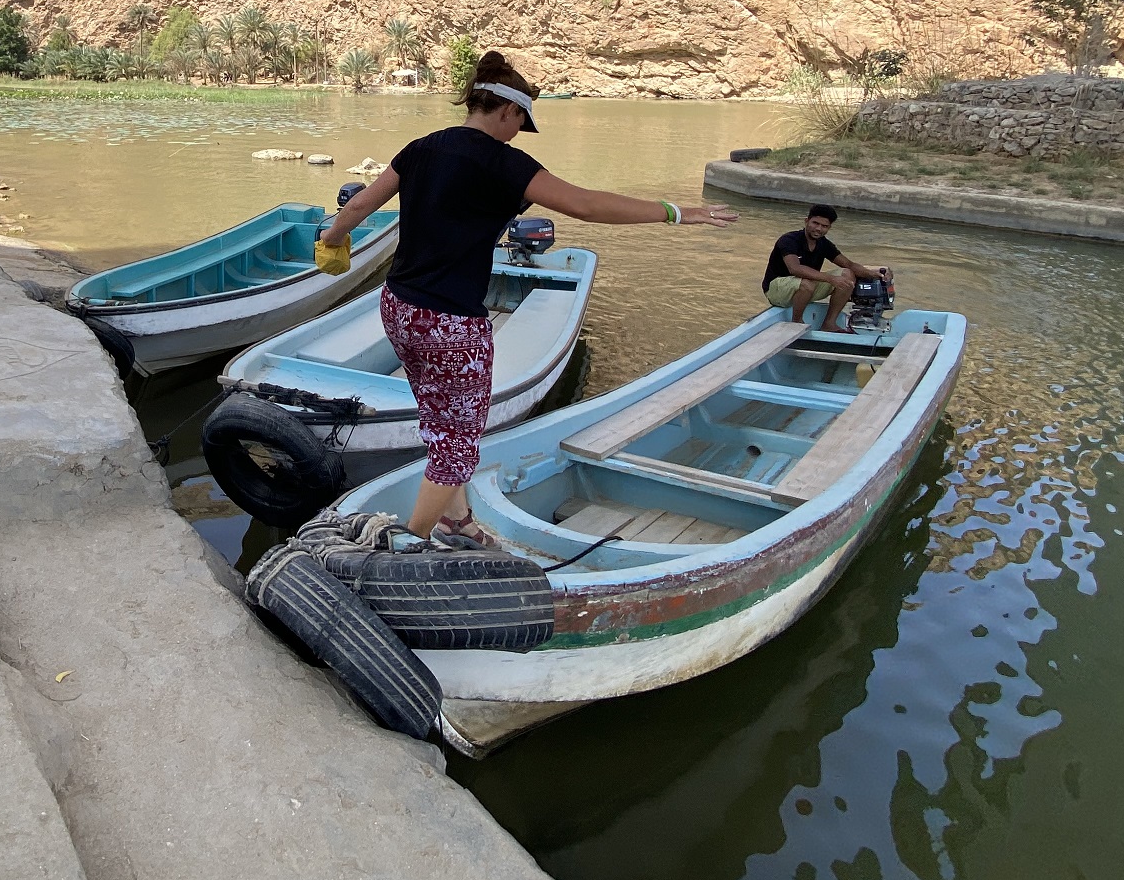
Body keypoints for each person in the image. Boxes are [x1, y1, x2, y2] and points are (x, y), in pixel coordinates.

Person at [318, 51, 737, 544]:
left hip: (399, 307)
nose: (518, 132)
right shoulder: (505, 162)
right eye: (521, 121)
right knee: (458, 448)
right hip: (452, 326)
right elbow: (585, 203)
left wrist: (330, 243)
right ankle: (405, 545)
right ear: (507, 111)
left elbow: (363, 203)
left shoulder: (421, 147)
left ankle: (457, 520)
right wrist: (675, 212)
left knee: (438, 416)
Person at [762, 203, 891, 333]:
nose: (818, 229)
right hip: (776, 289)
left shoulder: (824, 244)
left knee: (847, 274)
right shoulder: (789, 239)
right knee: (807, 284)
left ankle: (829, 323)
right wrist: (830, 279)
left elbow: (849, 264)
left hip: (805, 288)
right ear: (806, 221)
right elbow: (794, 268)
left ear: (829, 228)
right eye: (815, 223)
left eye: (824, 226)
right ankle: (796, 322)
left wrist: (875, 274)